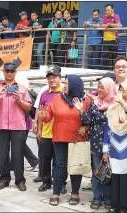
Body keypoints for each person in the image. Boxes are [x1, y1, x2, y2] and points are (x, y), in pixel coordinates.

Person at [38, 74, 89, 206]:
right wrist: (43, 116)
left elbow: (91, 119)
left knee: (75, 166)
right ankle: (56, 192)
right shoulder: (57, 98)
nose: (64, 86)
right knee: (59, 165)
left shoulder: (86, 100)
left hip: (77, 138)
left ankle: (75, 193)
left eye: (67, 84)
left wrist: (86, 127)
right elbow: (48, 116)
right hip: (60, 137)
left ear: (75, 85)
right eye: (64, 83)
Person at [0, 62, 32, 192]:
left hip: (18, 126)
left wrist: (19, 101)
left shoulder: (22, 88)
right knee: (3, 155)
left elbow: (29, 106)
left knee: (18, 154)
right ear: (4, 72)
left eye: (12, 71)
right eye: (7, 71)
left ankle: (20, 180)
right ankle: (4, 179)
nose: (9, 73)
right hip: (1, 125)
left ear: (15, 72)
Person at [102, 80, 127, 213]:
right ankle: (115, 206)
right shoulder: (112, 108)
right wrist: (105, 150)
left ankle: (124, 207)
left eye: (124, 90)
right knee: (116, 180)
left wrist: (123, 103)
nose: (121, 93)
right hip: (114, 151)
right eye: (120, 90)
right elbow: (107, 131)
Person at [77, 77, 115, 210]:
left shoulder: (116, 102)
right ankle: (97, 198)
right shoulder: (94, 102)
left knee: (109, 171)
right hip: (96, 142)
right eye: (98, 87)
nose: (98, 90)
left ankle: (108, 198)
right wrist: (81, 110)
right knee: (97, 171)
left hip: (112, 142)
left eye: (102, 87)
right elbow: (89, 121)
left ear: (109, 88)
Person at [32, 65, 67, 194]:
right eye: (49, 78)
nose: (52, 80)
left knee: (60, 161)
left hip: (61, 133)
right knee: (45, 159)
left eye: (54, 77)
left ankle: (61, 183)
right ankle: (46, 182)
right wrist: (39, 129)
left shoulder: (65, 92)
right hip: (46, 132)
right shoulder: (44, 94)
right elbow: (41, 113)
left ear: (60, 78)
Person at [101, 4, 122, 69]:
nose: (106, 12)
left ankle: (114, 70)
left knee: (114, 56)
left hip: (114, 39)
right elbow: (102, 25)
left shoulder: (116, 16)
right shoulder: (104, 16)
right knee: (105, 56)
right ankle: (106, 70)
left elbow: (119, 25)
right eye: (106, 10)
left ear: (112, 10)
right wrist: (105, 25)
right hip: (105, 40)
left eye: (108, 10)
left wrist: (109, 25)